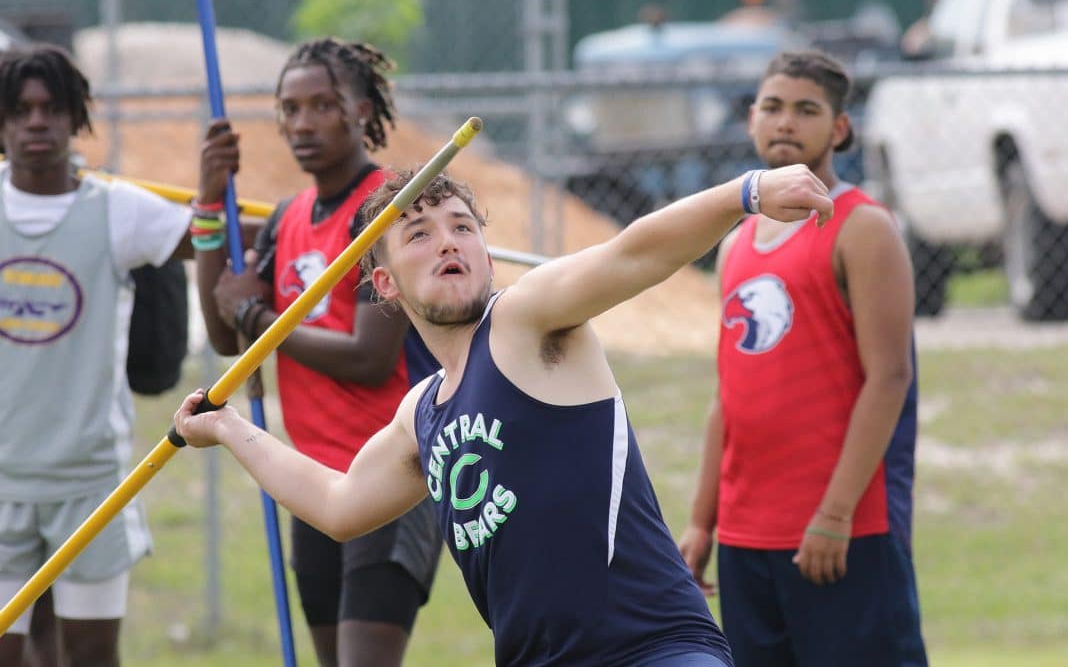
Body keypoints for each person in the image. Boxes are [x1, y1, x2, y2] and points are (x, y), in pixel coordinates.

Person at [175, 159, 834, 665]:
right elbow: (340, 504)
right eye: (419, 233)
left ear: (488, 256)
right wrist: (231, 430)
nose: (446, 242)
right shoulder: (420, 414)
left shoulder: (525, 319)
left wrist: (746, 192)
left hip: (653, 650)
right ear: (385, 284)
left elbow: (637, 253)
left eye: (463, 227)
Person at [194, 37, 441, 667]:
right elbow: (230, 341)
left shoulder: (387, 207)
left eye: (323, 105)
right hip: (312, 480)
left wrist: (257, 314)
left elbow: (368, 356)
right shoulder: (287, 217)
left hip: (392, 469)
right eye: (290, 108)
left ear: (361, 109)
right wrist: (206, 202)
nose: (303, 123)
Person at [677, 51, 928, 667]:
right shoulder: (736, 241)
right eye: (772, 107)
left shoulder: (863, 228)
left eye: (806, 110)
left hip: (840, 531)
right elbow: (727, 398)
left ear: (839, 129)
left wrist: (835, 515)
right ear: (751, 120)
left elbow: (890, 377)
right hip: (744, 538)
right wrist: (703, 525)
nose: (785, 122)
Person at [0, 44, 194, 665]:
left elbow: (211, 240)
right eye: (21, 110)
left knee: (91, 657)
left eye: (52, 109)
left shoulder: (117, 209)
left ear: (75, 118)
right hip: (1, 483)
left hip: (91, 486)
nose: (36, 122)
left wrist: (214, 198)